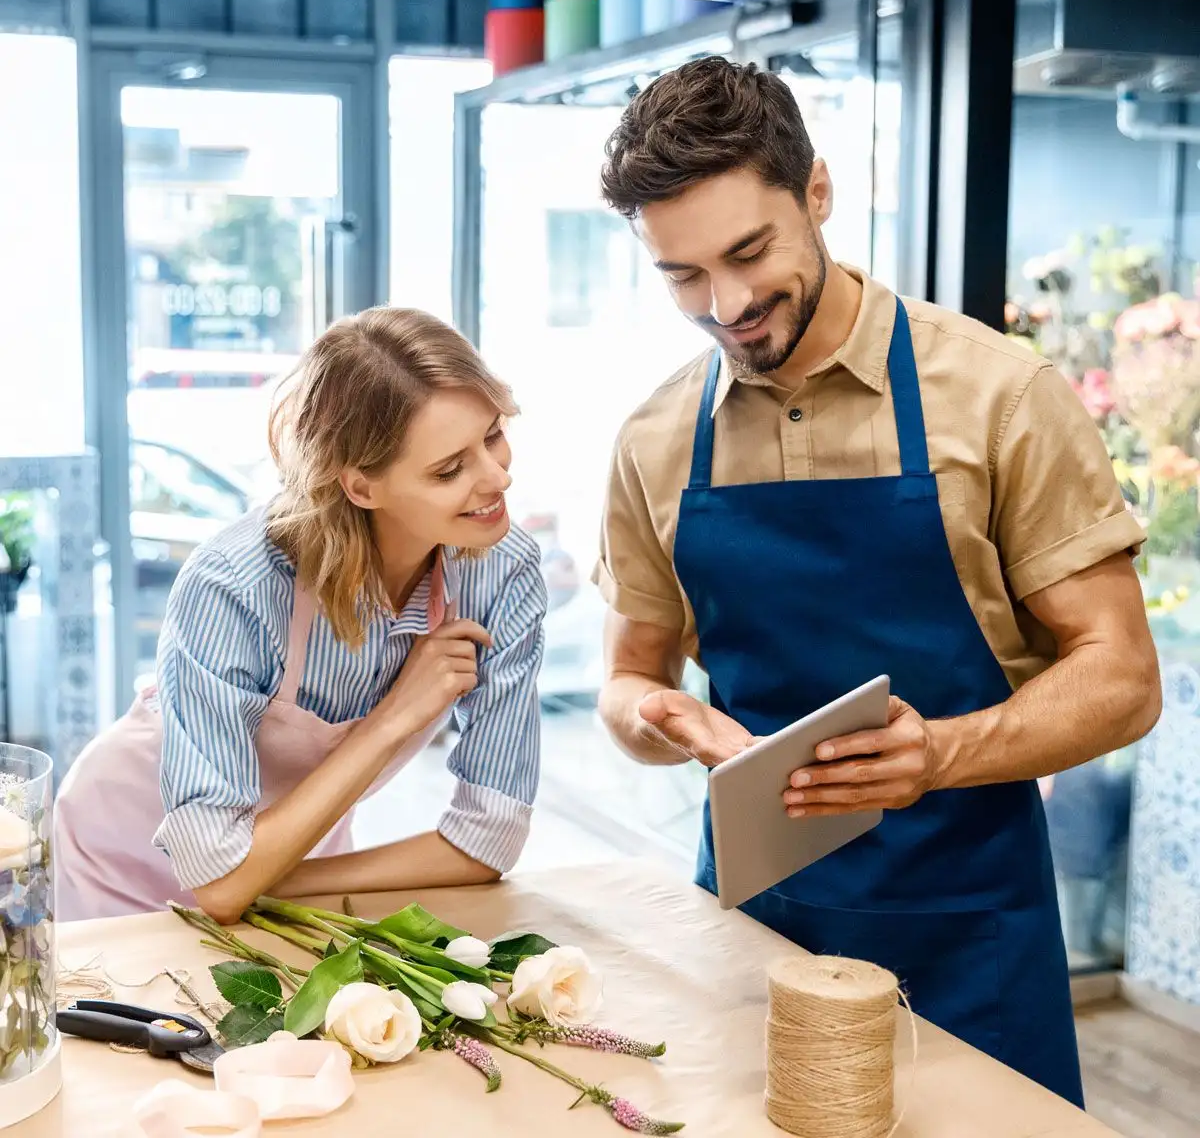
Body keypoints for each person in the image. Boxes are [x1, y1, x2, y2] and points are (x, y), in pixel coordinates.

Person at [592, 56, 1160, 1106]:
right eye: (681, 275)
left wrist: (939, 753)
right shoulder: (655, 439)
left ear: (816, 191)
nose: (726, 305)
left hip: (972, 940)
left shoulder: (1000, 397)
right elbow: (627, 680)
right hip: (750, 939)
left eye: (749, 252)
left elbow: (1123, 676)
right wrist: (665, 715)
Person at [55, 307, 547, 925]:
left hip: (286, 857)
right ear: (361, 487)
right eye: (450, 469)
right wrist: (393, 717)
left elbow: (489, 838)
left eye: (493, 434)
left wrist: (268, 878)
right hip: (119, 850)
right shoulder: (234, 586)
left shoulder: (502, 571)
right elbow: (218, 877)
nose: (497, 475)